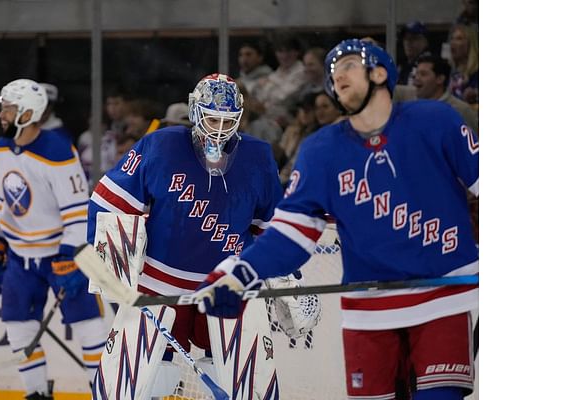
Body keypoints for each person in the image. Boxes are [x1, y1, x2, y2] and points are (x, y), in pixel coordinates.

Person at [196, 39, 479, 400]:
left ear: (379, 72)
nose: (336, 74)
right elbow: (290, 236)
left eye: (347, 65)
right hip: (368, 310)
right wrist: (240, 273)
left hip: (442, 298)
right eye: (332, 71)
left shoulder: (435, 121)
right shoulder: (321, 151)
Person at [87, 73, 313, 398]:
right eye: (211, 118)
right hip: (158, 285)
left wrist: (291, 276)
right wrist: (111, 265)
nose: (219, 130)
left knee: (240, 382)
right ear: (195, 111)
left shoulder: (257, 157)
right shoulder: (161, 144)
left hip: (228, 284)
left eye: (227, 121)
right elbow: (111, 201)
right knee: (137, 382)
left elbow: (273, 227)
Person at [0, 79, 109, 400]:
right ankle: (36, 393)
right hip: (21, 258)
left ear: (27, 112)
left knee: (89, 327)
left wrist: (72, 255)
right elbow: (5, 203)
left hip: (62, 254)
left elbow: (80, 210)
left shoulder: (56, 150)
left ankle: (105, 392)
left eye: (8, 109)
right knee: (18, 327)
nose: (1, 114)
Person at [413, 55, 479, 135]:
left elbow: (473, 144)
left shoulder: (461, 110)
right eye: (416, 73)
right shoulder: (412, 107)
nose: (416, 78)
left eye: (423, 74)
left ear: (440, 79)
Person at [447, 24, 479, 104]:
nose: (453, 43)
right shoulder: (450, 71)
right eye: (452, 39)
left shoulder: (477, 72)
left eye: (459, 39)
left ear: (470, 43)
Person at [397, 21, 432, 86]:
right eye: (406, 38)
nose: (408, 42)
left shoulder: (428, 64)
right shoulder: (402, 66)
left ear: (425, 41)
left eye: (414, 38)